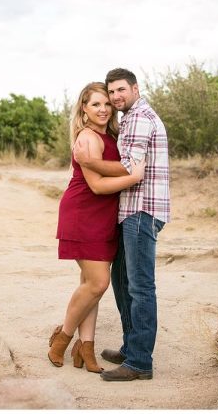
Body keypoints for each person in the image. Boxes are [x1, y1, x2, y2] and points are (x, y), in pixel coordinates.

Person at [73, 69, 170, 382]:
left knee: (140, 286)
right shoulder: (129, 118)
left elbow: (129, 167)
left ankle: (140, 362)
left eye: (120, 91)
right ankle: (131, 347)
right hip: (130, 211)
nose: (115, 98)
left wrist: (88, 163)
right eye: (111, 93)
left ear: (135, 88)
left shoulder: (140, 117)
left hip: (142, 210)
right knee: (122, 280)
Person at [48, 82, 145, 373]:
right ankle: (62, 338)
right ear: (84, 109)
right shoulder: (87, 137)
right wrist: (134, 175)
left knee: (92, 286)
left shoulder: (112, 134)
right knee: (98, 283)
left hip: (104, 217)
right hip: (83, 214)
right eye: (96, 105)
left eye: (106, 104)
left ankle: (86, 348)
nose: (103, 109)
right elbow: (97, 185)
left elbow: (116, 164)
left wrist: (128, 167)